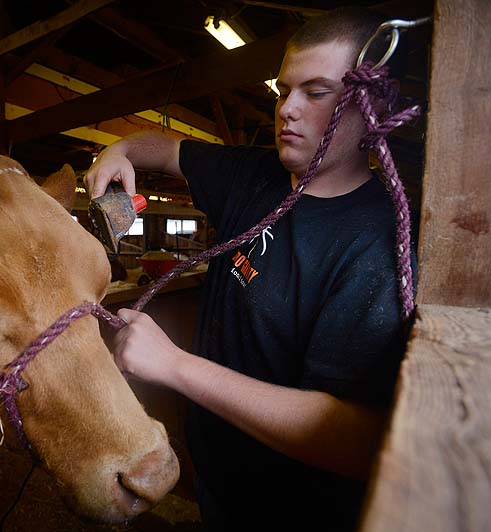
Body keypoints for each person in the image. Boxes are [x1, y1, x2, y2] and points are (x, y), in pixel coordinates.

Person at [85, 7, 414, 532]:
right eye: (284, 90)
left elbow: (355, 440)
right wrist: (120, 150)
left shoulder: (374, 243)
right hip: (216, 476)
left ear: (368, 101)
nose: (288, 109)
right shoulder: (252, 174)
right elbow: (165, 148)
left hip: (290, 506)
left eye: (317, 91)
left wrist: (173, 366)